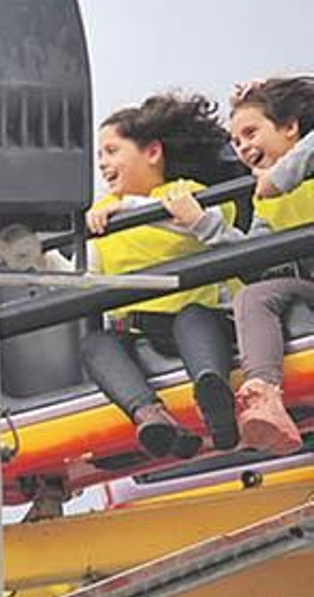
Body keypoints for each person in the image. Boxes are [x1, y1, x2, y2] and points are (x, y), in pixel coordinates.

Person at [81, 93, 239, 458]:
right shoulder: (102, 213)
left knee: (192, 318)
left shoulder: (184, 190)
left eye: (111, 151)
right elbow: (87, 274)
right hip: (141, 332)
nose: (103, 164)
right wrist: (38, 260)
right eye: (99, 156)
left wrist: (128, 209)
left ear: (152, 152)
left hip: (201, 321)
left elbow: (195, 221)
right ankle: (150, 414)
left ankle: (212, 393)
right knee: (95, 344)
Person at [162, 76, 313, 454]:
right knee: (253, 295)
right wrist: (202, 223)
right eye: (237, 141)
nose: (244, 147)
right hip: (305, 284)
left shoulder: (292, 171)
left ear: (291, 127)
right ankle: (263, 396)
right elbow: (254, 254)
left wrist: (282, 175)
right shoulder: (263, 197)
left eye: (251, 133)